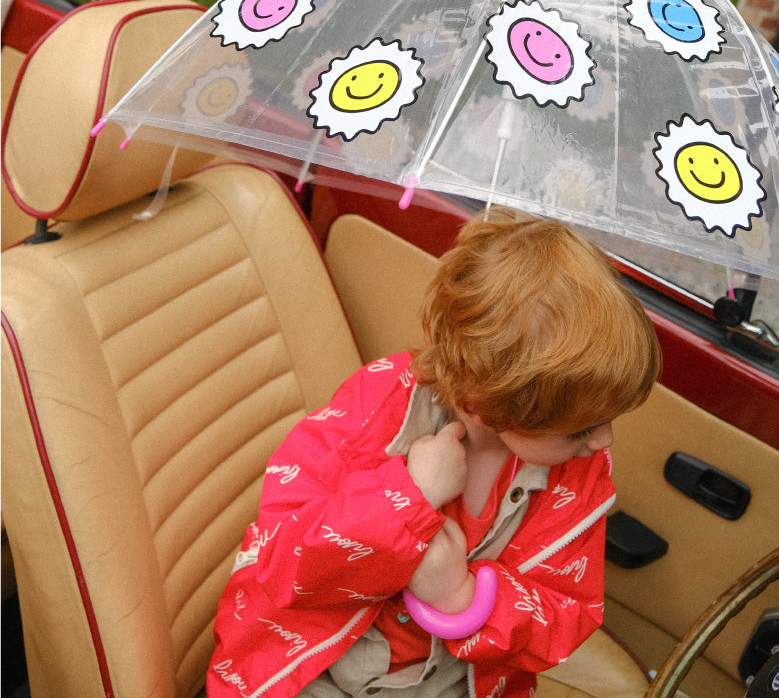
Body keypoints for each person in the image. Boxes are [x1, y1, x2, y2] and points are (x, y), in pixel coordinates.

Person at [207, 208, 661, 698]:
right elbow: (281, 562)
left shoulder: (579, 475)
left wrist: (463, 599)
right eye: (581, 430)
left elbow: (569, 612)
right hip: (313, 668)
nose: (603, 442)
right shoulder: (375, 406)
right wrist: (406, 498)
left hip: (455, 680)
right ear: (489, 406)